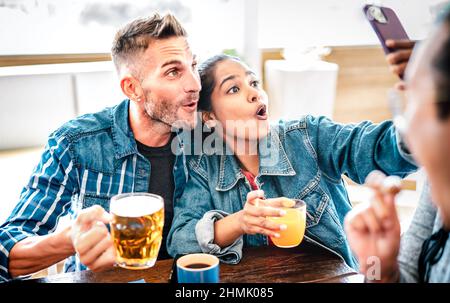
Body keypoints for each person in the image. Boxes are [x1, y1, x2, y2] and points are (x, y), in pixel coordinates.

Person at [166, 53, 418, 269]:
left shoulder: (309, 137)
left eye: (254, 82)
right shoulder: (203, 167)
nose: (254, 93)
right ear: (209, 117)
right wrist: (240, 222)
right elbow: (180, 241)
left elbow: (377, 149)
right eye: (234, 88)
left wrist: (424, 117)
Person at [0, 13, 201, 281]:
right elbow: (6, 248)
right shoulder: (74, 143)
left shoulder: (206, 136)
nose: (195, 84)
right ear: (133, 89)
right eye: (173, 72)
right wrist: (69, 240)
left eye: (193, 66)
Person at [344, 8, 450, 282]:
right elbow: (407, 273)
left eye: (413, 96)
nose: (405, 131)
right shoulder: (437, 190)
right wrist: (380, 268)